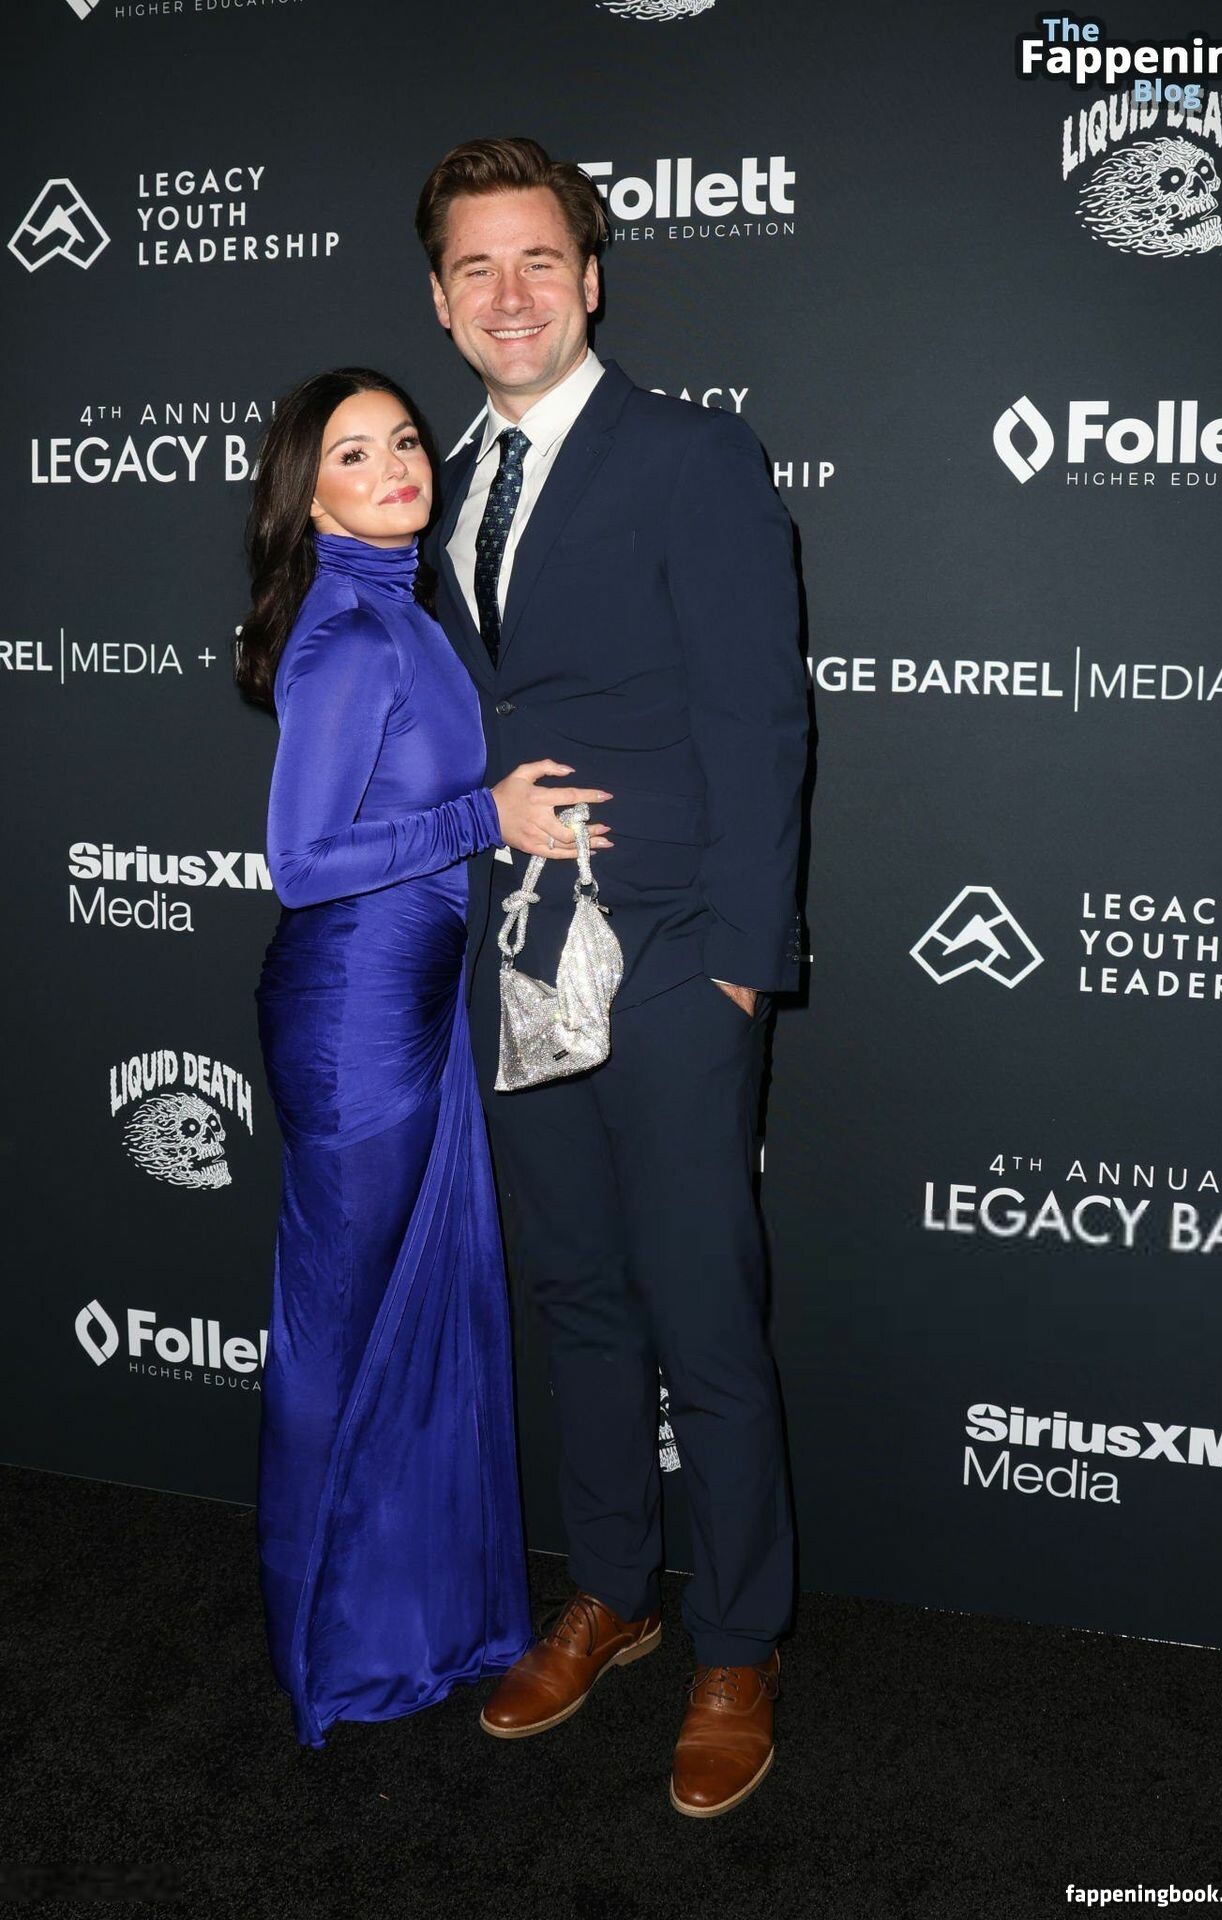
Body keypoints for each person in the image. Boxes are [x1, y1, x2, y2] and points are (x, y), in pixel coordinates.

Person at [416, 140, 808, 1817]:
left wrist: (737, 972)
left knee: (701, 1307)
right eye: (476, 268)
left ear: (591, 277)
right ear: (440, 300)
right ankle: (612, 1593)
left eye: (538, 260)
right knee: (574, 1292)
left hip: (666, 955)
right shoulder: (432, 482)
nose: (509, 294)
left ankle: (738, 1642)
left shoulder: (690, 455)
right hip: (510, 953)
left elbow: (760, 719)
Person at [241, 367, 614, 1749]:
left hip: (409, 999)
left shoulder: (408, 610)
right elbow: (301, 861)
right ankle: (331, 1650)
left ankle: (417, 1622)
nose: (395, 465)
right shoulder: (347, 634)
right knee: (344, 1331)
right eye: (353, 454)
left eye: (404, 440)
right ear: (307, 495)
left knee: (415, 1313)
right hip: (353, 1017)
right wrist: (484, 817)